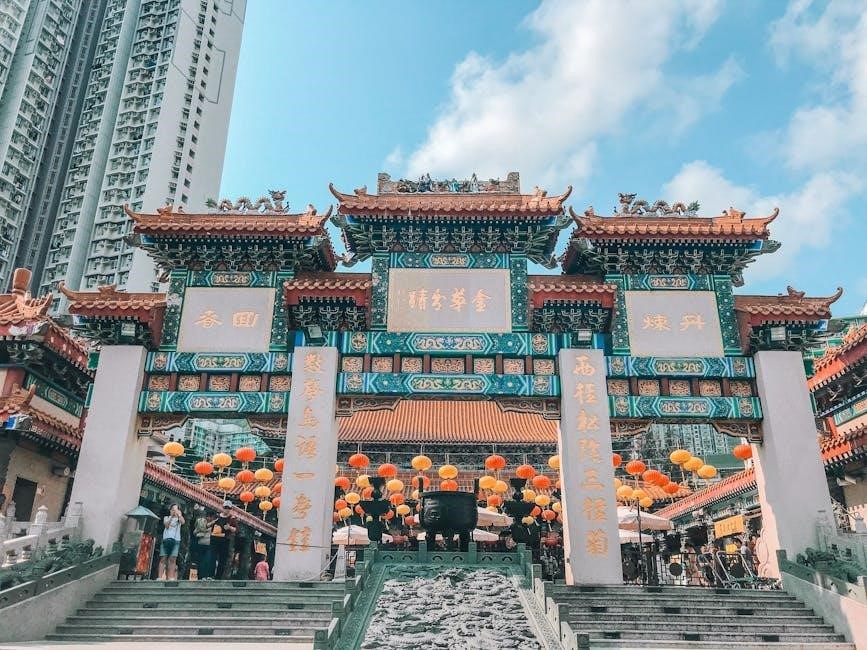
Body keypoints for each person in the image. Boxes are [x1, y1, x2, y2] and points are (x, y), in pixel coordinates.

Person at [158, 503, 185, 580]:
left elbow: (183, 522)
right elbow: (166, 525)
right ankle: (160, 577)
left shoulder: (179, 519)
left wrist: (179, 515)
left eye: (176, 510)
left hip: (176, 541)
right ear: (170, 510)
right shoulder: (166, 517)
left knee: (173, 559)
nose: (174, 511)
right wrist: (171, 517)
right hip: (166, 540)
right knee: (163, 558)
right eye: (173, 510)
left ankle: (171, 577)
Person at [212, 502, 238, 579]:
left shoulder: (232, 518)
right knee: (212, 557)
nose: (227, 509)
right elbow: (210, 525)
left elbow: (236, 529)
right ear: (222, 508)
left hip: (225, 540)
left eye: (228, 508)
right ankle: (210, 574)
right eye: (225, 508)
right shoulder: (217, 516)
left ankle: (218, 577)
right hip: (215, 539)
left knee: (222, 559)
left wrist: (229, 527)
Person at [192, 507, 213, 580]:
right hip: (201, 544)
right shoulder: (201, 522)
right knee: (201, 561)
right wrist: (200, 531)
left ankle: (206, 575)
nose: (208, 518)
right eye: (207, 516)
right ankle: (200, 576)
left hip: (209, 545)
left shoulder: (214, 525)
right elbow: (194, 532)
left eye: (210, 517)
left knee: (207, 561)